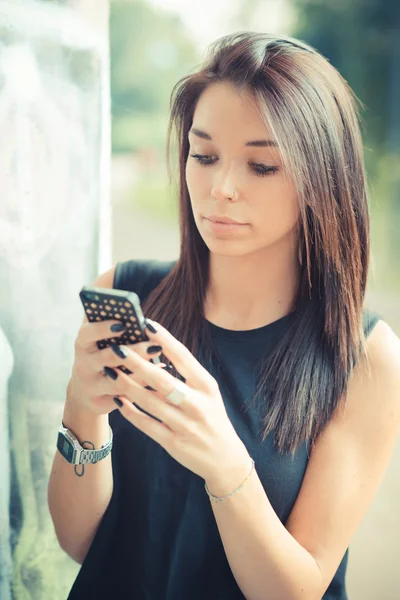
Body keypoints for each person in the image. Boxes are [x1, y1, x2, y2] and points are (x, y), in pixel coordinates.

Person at [48, 32, 400, 600]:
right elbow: (80, 543)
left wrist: (225, 463)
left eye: (261, 166)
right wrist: (82, 412)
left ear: (322, 181)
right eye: (204, 155)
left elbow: (294, 591)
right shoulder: (125, 289)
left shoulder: (362, 355)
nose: (221, 189)